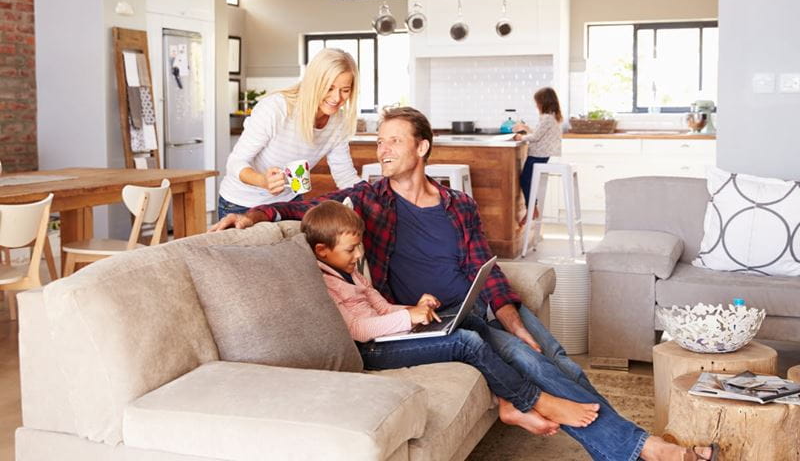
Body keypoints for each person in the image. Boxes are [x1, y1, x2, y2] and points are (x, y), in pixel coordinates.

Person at [210, 107, 717, 461]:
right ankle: (647, 449)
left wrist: (514, 320)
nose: (381, 148)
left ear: (421, 147)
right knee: (529, 363)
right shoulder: (370, 199)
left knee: (550, 354)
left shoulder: (459, 206)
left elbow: (486, 270)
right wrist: (254, 212)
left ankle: (633, 448)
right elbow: (309, 208)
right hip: (428, 317)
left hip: (469, 305)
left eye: (392, 140)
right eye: (379, 139)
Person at [301, 200, 602, 436]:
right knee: (466, 343)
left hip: (388, 336)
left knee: (469, 320)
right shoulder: (326, 282)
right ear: (322, 251)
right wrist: (409, 320)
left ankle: (507, 402)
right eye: (351, 249)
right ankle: (530, 401)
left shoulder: (350, 272)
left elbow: (380, 309)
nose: (358, 255)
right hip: (372, 350)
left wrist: (411, 309)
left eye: (359, 247)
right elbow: (357, 329)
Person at [217, 48, 362, 219]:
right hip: (242, 204)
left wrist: (372, 195)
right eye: (329, 88)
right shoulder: (276, 108)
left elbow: (344, 174)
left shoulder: (339, 121)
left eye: (345, 90)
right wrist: (263, 181)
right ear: (314, 83)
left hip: (289, 203)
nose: (337, 98)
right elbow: (235, 162)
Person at [513, 86, 563, 225]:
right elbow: (539, 133)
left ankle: (532, 209)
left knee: (525, 180)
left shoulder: (546, 118)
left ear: (543, 102)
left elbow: (535, 137)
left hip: (538, 154)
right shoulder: (552, 117)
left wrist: (520, 137)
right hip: (543, 154)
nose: (536, 105)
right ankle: (532, 208)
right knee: (528, 180)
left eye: (537, 102)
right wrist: (526, 129)